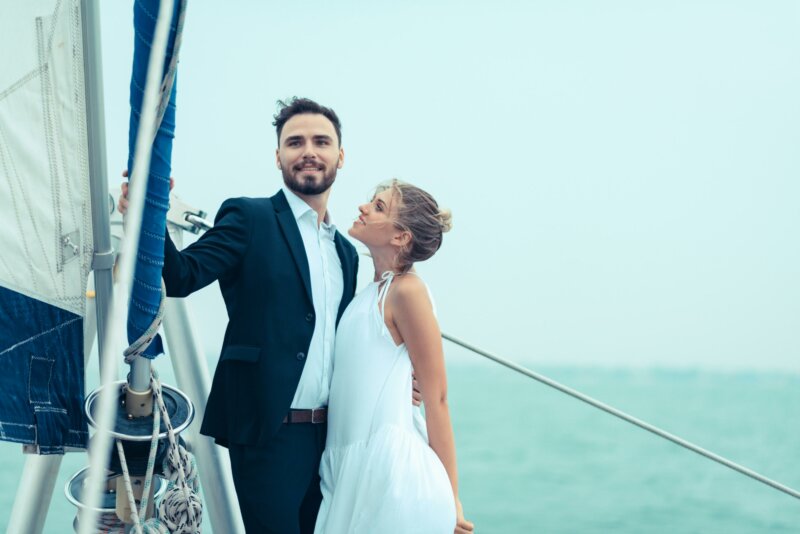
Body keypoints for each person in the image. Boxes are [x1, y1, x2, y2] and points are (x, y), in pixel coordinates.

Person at [121, 97, 358, 533]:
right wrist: (148, 214)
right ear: (278, 157)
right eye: (295, 142)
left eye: (321, 142)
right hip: (268, 433)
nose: (308, 151)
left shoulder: (346, 252)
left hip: (332, 439)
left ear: (340, 156)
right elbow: (182, 275)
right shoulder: (250, 217)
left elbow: (345, 340)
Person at [315, 180, 474, 534]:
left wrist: (453, 500)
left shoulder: (408, 292)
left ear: (401, 236)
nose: (363, 208)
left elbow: (437, 398)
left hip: (392, 477)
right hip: (348, 471)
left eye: (378, 207)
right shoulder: (368, 293)